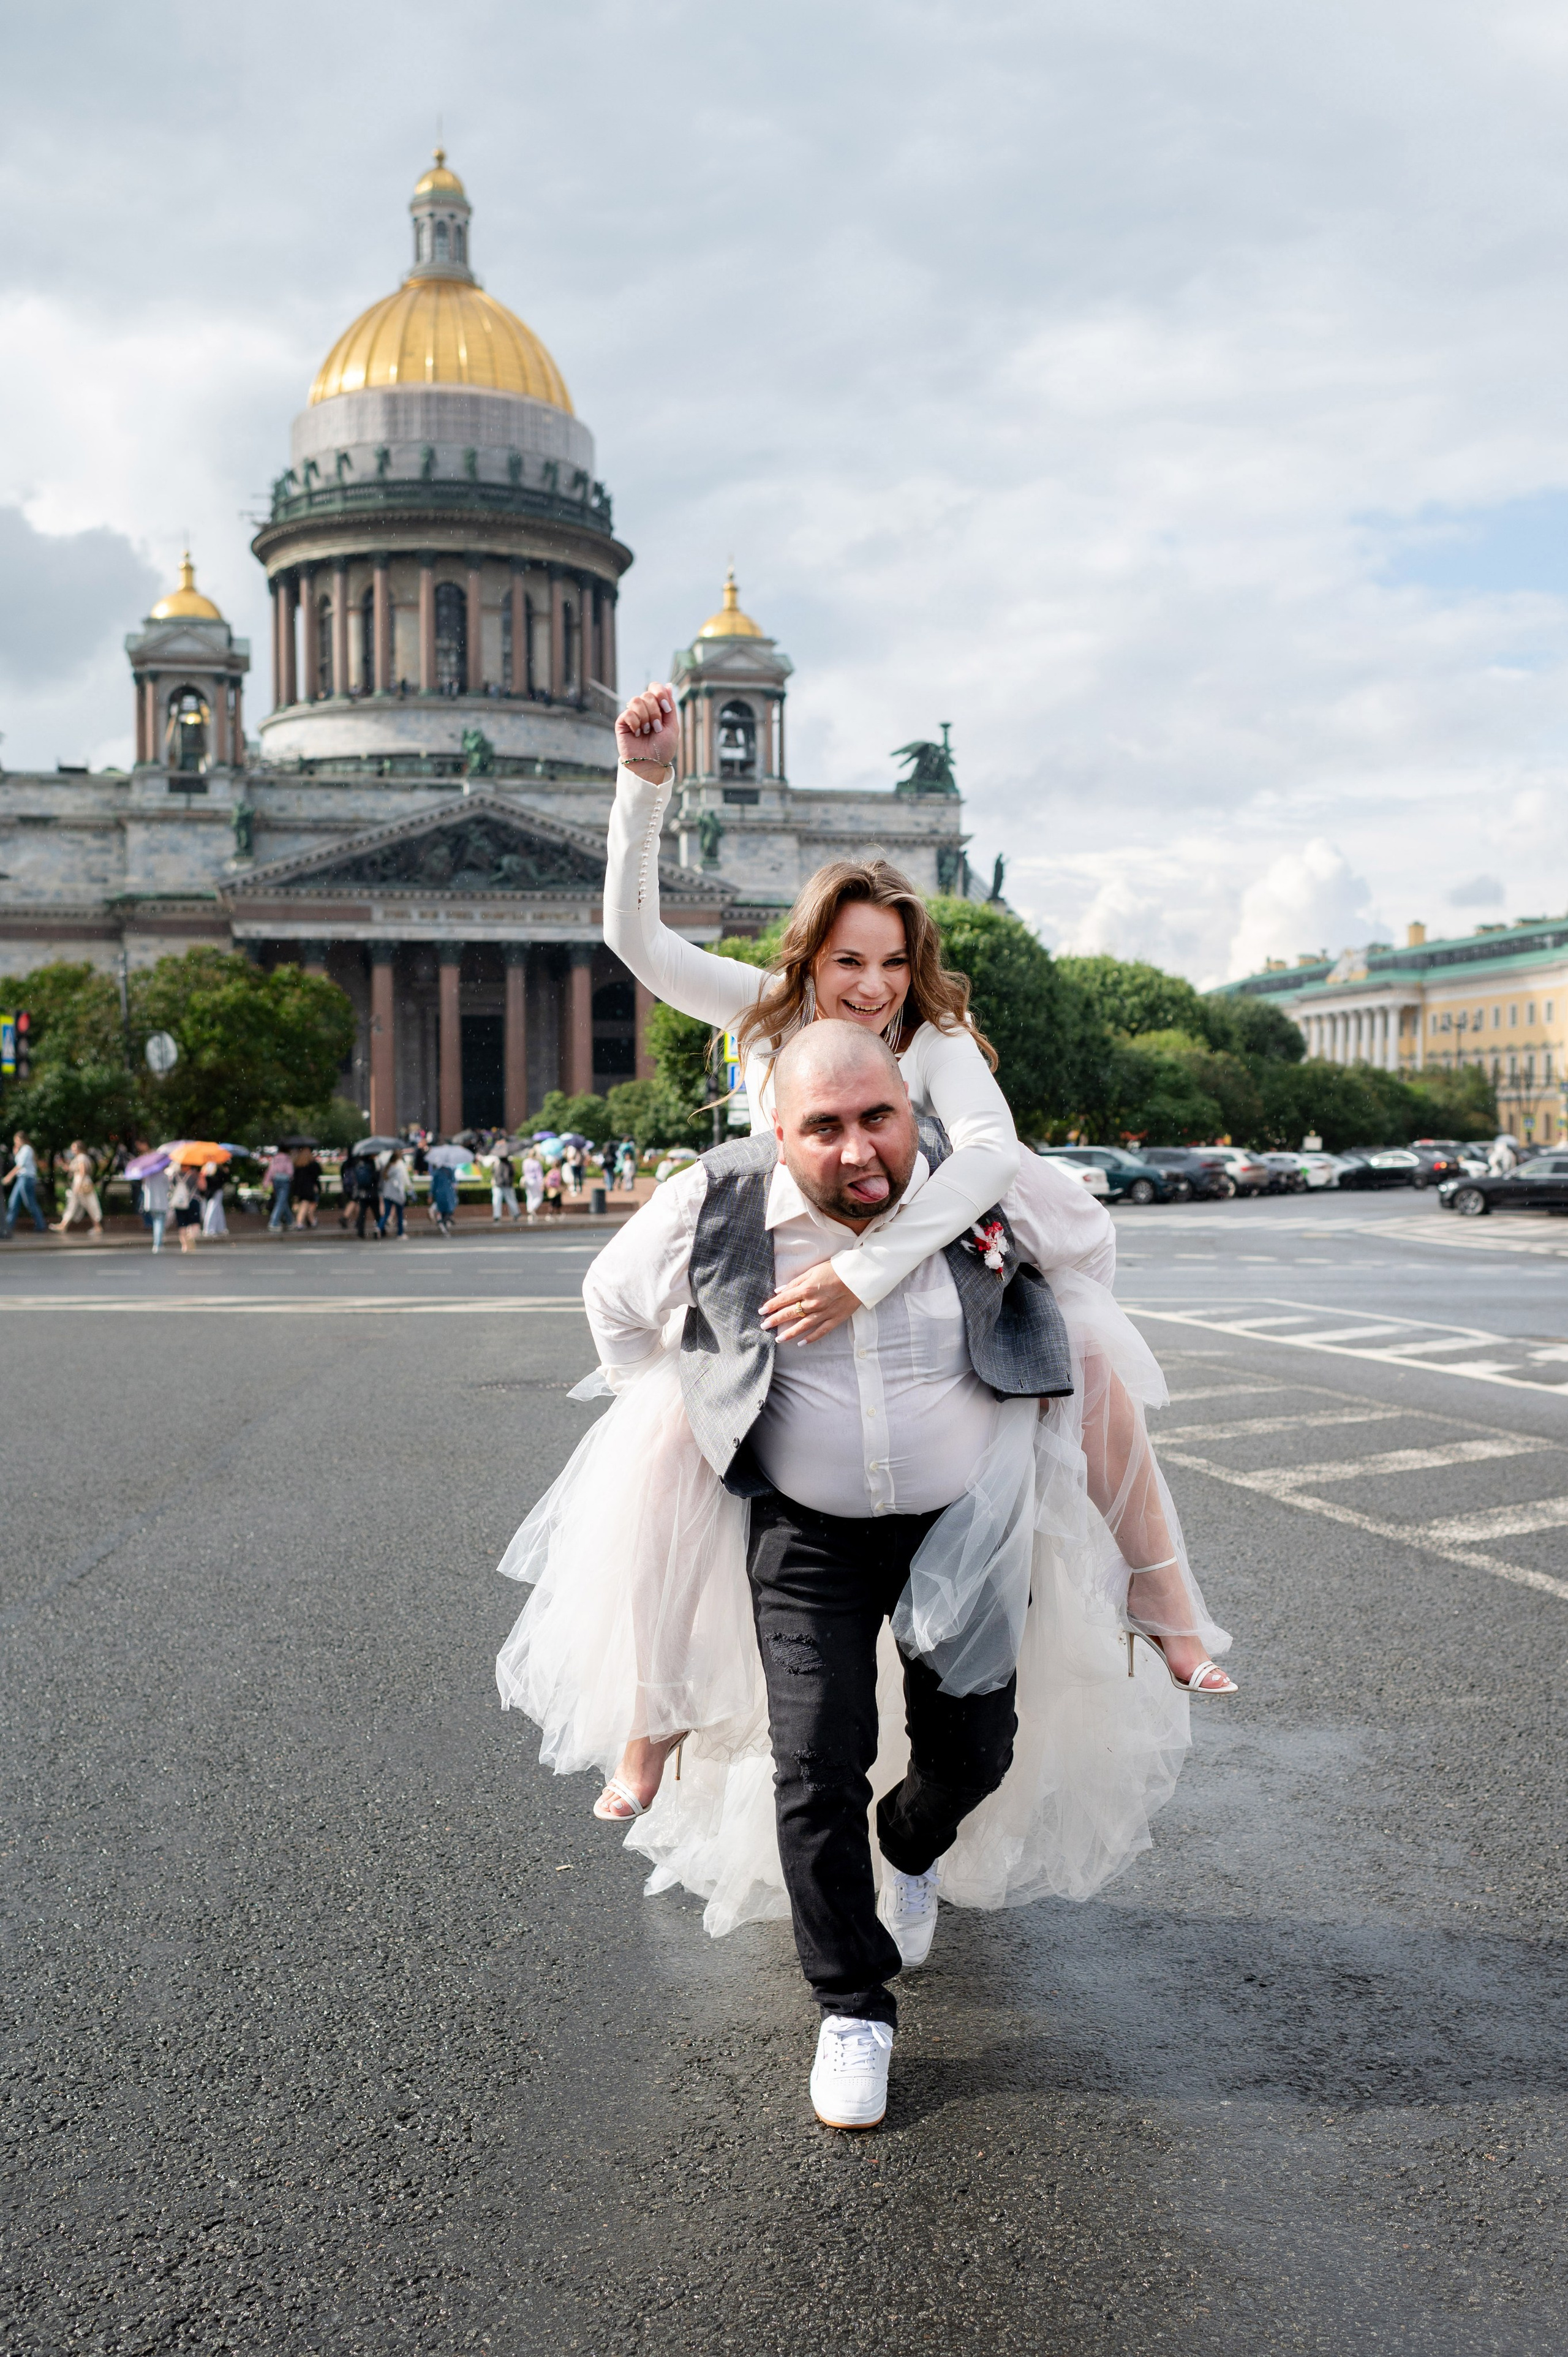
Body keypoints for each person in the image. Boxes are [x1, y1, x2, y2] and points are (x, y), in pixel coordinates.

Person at [533, 686, 1230, 1824]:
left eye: (894, 962)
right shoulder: (763, 1009)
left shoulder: (934, 1038)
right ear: (810, 955)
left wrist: (872, 1268)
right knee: (663, 1435)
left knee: (1093, 1346)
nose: (871, 985)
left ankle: (1169, 1609)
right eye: (851, 958)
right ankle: (651, 1715)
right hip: (777, 1261)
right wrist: (644, 788)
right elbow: (636, 940)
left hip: (940, 1245)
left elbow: (993, 1155)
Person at [512, 1024, 1193, 2129]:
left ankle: (912, 1841)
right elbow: (614, 1305)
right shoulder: (714, 1206)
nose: (856, 1147)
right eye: (822, 1127)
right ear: (778, 1133)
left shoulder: (984, 1189)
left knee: (974, 1750)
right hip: (806, 1534)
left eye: (877, 1116)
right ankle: (852, 2007)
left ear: (913, 1112)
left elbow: (1092, 1255)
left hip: (962, 1524)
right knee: (814, 1760)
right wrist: (685, 1402)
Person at [52, 1142, 105, 1240]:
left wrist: (78, 1185)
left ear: (79, 1148)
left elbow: (82, 1171)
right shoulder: (80, 1158)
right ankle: (63, 1225)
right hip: (80, 1183)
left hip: (82, 1184)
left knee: (89, 1204)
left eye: (74, 1148)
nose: (72, 1150)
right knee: (74, 1204)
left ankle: (97, 1227)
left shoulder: (81, 1158)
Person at [2, 1132, 46, 1237]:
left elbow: (20, 1166)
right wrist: (16, 1153)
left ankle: (41, 1226)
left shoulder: (27, 1149)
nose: (15, 1142)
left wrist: (9, 1177)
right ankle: (8, 1227)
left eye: (16, 1140)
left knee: (30, 1203)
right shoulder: (23, 1150)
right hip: (21, 1178)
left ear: (21, 1139)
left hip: (26, 1178)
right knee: (13, 1203)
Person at [486, 1143, 522, 1224]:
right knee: (509, 1199)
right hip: (505, 1185)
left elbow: (495, 1173)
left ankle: (498, 1215)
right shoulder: (507, 1164)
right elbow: (511, 1174)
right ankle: (514, 1213)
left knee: (498, 1200)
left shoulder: (499, 1164)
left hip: (500, 1184)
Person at [378, 1147, 409, 1237]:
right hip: (397, 1194)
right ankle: (400, 1233)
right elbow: (400, 1183)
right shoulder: (399, 1167)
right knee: (400, 1215)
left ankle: (379, 1228)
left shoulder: (388, 1167)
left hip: (387, 1194)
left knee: (386, 1213)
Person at [170, 1163, 202, 1251]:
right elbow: (203, 1187)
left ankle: (184, 1246)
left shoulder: (175, 1175)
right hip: (193, 1201)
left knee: (182, 1225)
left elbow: (171, 1188)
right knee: (195, 1223)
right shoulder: (194, 1175)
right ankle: (191, 1239)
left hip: (179, 1202)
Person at [141, 1158, 170, 1252]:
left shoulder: (148, 1176)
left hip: (151, 1203)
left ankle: (157, 1243)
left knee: (156, 1222)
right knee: (160, 1223)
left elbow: (144, 1189)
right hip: (162, 1203)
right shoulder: (164, 1176)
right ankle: (158, 1244)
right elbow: (168, 1188)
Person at [429, 1152, 459, 1235]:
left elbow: (433, 1185)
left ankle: (442, 1222)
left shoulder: (437, 1172)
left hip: (440, 1194)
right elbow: (454, 1183)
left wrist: (431, 1195)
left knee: (442, 1209)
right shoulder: (450, 1171)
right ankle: (445, 1222)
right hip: (449, 1194)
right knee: (448, 1209)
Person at [291, 1149, 321, 1229]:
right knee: (305, 1205)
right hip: (308, 1188)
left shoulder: (298, 1166)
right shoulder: (311, 1165)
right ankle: (299, 1222)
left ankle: (312, 1221)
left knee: (306, 1205)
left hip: (299, 1189)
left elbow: (295, 1180)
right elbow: (316, 1176)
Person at [198, 1160, 228, 1238]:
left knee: (217, 1209)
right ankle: (209, 1229)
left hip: (213, 1192)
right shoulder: (212, 1168)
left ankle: (220, 1228)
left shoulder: (208, 1168)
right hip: (214, 1192)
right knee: (213, 1210)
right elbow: (218, 1181)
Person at [266, 1148, 293, 1232]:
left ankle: (290, 1221)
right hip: (285, 1182)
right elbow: (290, 1172)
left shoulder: (275, 1158)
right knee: (281, 1202)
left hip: (276, 1181)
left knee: (282, 1201)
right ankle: (274, 1222)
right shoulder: (287, 1158)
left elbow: (271, 1171)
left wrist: (266, 1182)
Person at [522, 1148, 545, 1223]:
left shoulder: (525, 1162)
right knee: (539, 1197)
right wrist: (542, 1184)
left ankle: (530, 1211)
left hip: (527, 1180)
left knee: (530, 1196)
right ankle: (532, 1208)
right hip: (534, 1181)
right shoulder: (536, 1163)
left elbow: (524, 1171)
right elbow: (539, 1175)